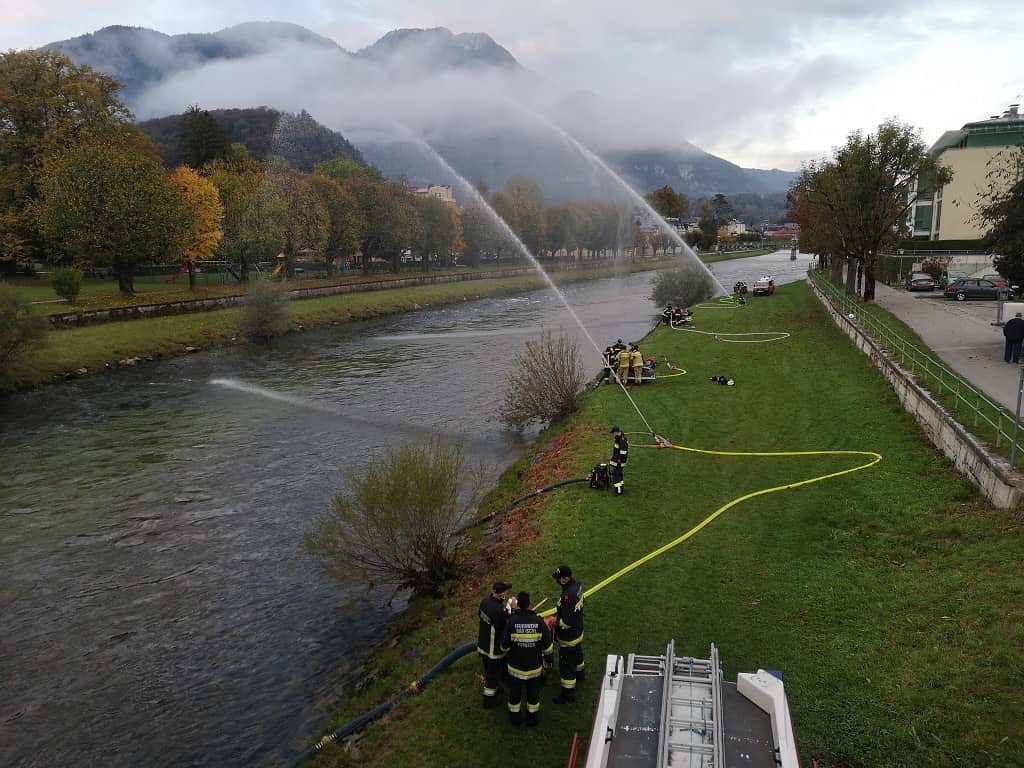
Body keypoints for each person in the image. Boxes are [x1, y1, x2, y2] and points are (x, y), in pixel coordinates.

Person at [499, 591, 554, 727]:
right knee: (533, 697)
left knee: (515, 696)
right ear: (529, 604)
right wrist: (549, 660)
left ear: (518, 605)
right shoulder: (539, 622)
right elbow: (547, 647)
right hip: (534, 670)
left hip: (515, 669)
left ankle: (515, 718)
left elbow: (504, 647)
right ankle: (532, 719)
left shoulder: (512, 622)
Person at [551, 565, 585, 703]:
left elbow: (567, 622)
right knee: (578, 656)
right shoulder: (577, 585)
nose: (557, 581)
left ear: (566, 578)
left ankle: (567, 693)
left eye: (559, 579)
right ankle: (580, 674)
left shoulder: (569, 596)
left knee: (566, 666)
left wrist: (555, 623)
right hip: (578, 631)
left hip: (569, 637)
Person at [478, 581, 513, 708]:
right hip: (493, 650)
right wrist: (511, 610)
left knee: (489, 669)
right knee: (492, 676)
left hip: (483, 644)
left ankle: (499, 682)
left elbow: (480, 615)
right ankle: (489, 700)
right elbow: (506, 625)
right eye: (505, 592)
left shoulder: (485, 601)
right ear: (501, 595)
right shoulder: (498, 609)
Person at [610, 425, 628, 495]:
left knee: (617, 475)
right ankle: (621, 488)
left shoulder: (622, 441)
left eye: (613, 433)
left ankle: (618, 491)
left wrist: (618, 461)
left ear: (617, 432)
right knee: (619, 475)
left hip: (619, 461)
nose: (613, 434)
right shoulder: (619, 438)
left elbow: (623, 453)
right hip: (617, 460)